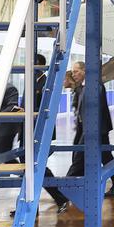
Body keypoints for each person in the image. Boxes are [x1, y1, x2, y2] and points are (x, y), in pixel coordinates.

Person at [66, 61, 114, 197]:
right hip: (91, 130)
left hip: (96, 130)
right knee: (106, 157)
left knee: (80, 158)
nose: (73, 74)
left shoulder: (94, 85)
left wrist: (88, 132)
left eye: (76, 71)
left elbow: (95, 110)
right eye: (73, 71)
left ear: (84, 71)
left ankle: (67, 186)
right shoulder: (85, 86)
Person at [19, 53, 68, 213]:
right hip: (27, 131)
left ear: (38, 64)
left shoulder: (47, 82)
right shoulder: (30, 82)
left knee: (37, 167)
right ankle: (29, 204)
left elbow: (45, 108)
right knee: (28, 167)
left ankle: (59, 198)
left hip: (38, 132)